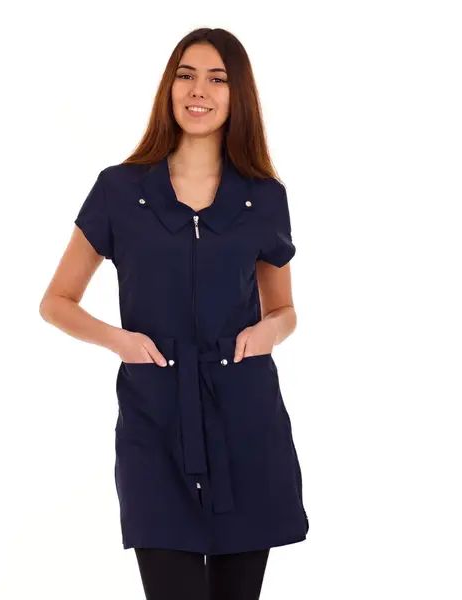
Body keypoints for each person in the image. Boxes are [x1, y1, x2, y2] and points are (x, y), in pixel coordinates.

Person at [40, 27, 309, 600]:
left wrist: (269, 331)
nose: (198, 90)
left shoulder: (264, 196)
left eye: (217, 79)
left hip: (246, 421)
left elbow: (285, 310)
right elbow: (56, 302)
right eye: (186, 75)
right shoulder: (119, 190)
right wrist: (120, 341)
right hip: (154, 422)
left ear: (238, 95)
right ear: (169, 87)